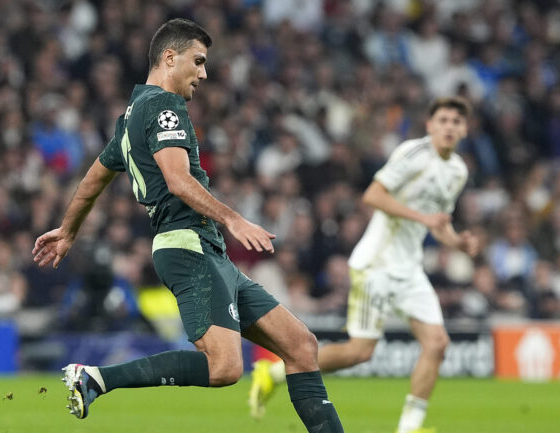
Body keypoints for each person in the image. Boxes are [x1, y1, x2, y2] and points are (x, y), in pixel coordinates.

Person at [32, 18, 344, 432]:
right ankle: (95, 378)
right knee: (225, 366)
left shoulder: (129, 119)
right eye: (198, 62)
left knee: (301, 346)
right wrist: (234, 218)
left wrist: (69, 229)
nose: (204, 73)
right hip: (188, 245)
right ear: (169, 57)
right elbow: (179, 181)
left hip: (205, 249)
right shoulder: (164, 106)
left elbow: (94, 179)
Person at [249, 96, 479, 433]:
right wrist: (423, 218)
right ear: (430, 126)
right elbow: (372, 196)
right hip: (376, 265)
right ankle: (272, 373)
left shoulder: (457, 170)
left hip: (410, 268)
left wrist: (456, 241)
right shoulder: (413, 153)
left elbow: (438, 222)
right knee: (359, 352)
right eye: (442, 120)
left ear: (464, 129)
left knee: (437, 343)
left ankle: (409, 428)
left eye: (456, 122)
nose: (449, 126)